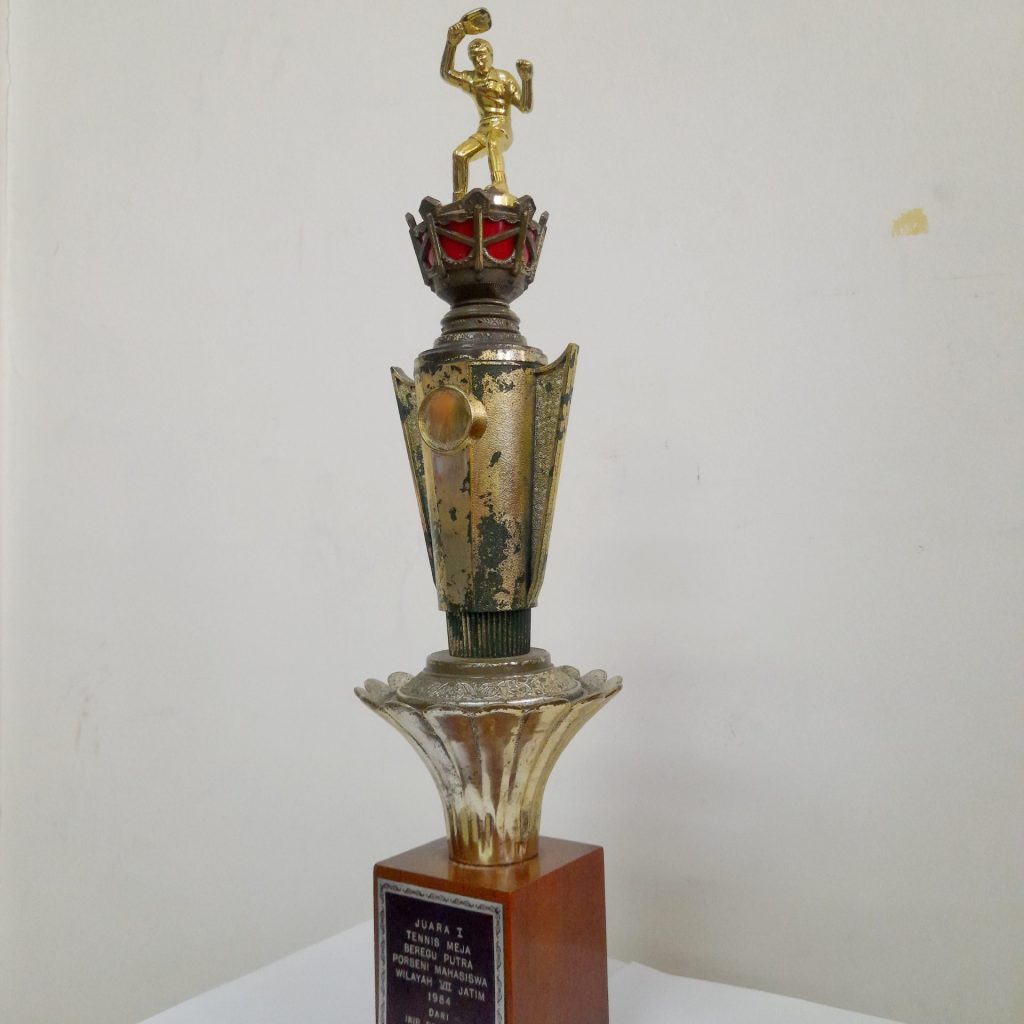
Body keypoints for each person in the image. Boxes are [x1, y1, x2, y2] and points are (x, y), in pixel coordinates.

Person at [440, 21, 533, 201]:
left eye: (482, 56)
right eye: (474, 58)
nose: (479, 61)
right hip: (483, 130)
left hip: (501, 130)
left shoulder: (504, 77)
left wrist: (526, 80)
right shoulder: (472, 79)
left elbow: (525, 106)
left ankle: (500, 184)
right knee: (459, 155)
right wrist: (451, 44)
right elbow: (447, 73)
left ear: (491, 55)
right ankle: (459, 200)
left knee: (493, 141)